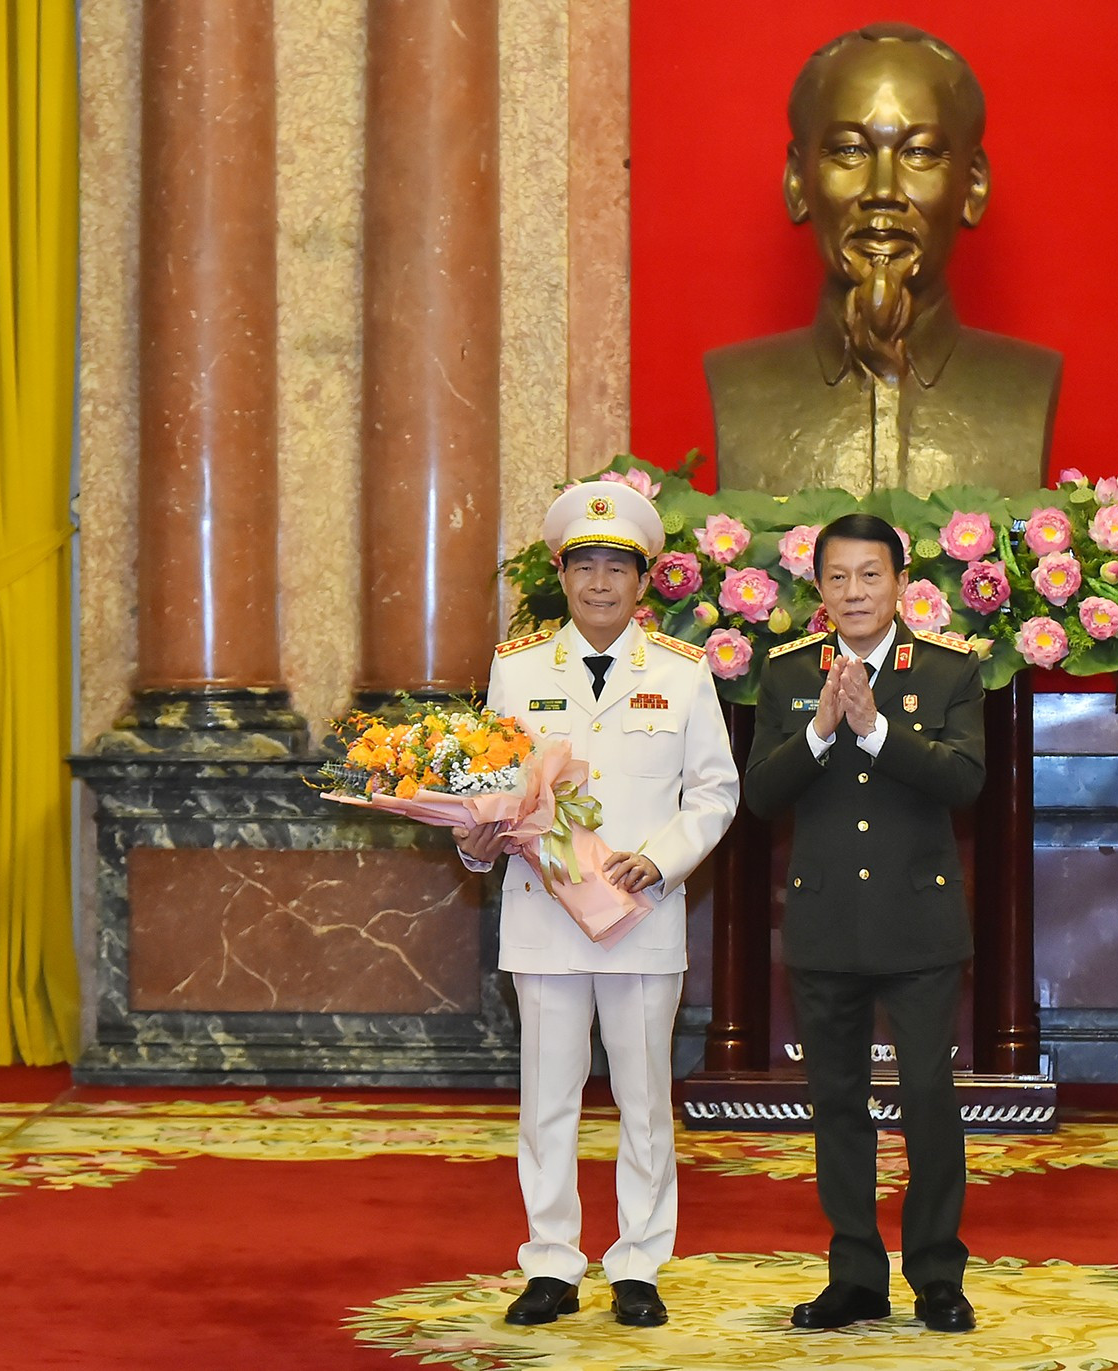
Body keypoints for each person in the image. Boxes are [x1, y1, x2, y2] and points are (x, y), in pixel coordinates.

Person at [454, 481, 739, 1329]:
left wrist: (661, 859)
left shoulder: (683, 673)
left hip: (640, 917)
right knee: (548, 1097)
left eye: (618, 567)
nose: (601, 583)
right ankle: (551, 1261)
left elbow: (715, 792)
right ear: (562, 575)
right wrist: (473, 841)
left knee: (644, 1099)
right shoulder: (517, 669)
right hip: (545, 915)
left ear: (644, 581)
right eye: (585, 566)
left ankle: (639, 1264)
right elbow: (488, 789)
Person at [743, 512, 986, 1332]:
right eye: (839, 577)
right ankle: (854, 1274)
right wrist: (819, 730)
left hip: (919, 923)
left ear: (901, 582)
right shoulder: (787, 673)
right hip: (825, 921)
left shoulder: (948, 669)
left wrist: (877, 729)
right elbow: (760, 794)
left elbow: (965, 781)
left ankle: (937, 1275)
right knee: (836, 1102)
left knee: (928, 1099)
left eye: (870, 575)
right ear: (818, 587)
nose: (855, 592)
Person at [705, 22, 1059, 498]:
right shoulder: (741, 388)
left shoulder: (1027, 388)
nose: (883, 191)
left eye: (920, 153)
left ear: (973, 186)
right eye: (850, 151)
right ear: (797, 182)